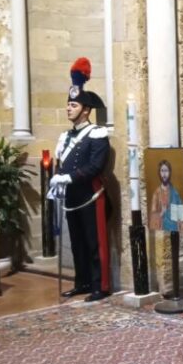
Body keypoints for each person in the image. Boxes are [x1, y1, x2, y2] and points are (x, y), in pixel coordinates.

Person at [49, 57, 111, 302]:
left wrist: (68, 177)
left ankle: (100, 285)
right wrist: (57, 180)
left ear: (86, 110)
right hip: (72, 196)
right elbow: (60, 163)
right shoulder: (65, 136)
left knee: (94, 242)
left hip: (90, 194)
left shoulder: (97, 133)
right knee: (77, 243)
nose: (68, 109)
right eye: (68, 105)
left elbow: (96, 166)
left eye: (73, 105)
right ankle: (82, 281)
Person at [149, 160, 183, 233]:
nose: (164, 174)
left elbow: (180, 217)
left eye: (166, 171)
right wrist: (161, 213)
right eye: (162, 171)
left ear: (170, 172)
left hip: (174, 229)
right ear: (159, 173)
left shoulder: (175, 193)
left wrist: (181, 224)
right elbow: (152, 215)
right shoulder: (156, 193)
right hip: (162, 229)